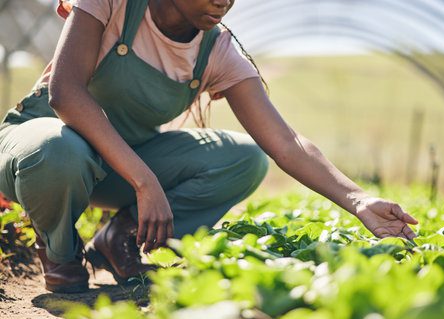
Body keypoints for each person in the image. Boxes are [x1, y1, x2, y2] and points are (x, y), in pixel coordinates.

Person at [0, 0, 418, 293]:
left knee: (244, 158)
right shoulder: (113, 3)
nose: (225, 1)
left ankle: (119, 237)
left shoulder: (216, 48)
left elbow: (286, 142)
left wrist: (358, 199)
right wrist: (146, 182)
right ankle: (59, 253)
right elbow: (66, 95)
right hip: (41, 150)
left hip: (117, 166)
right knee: (59, 147)